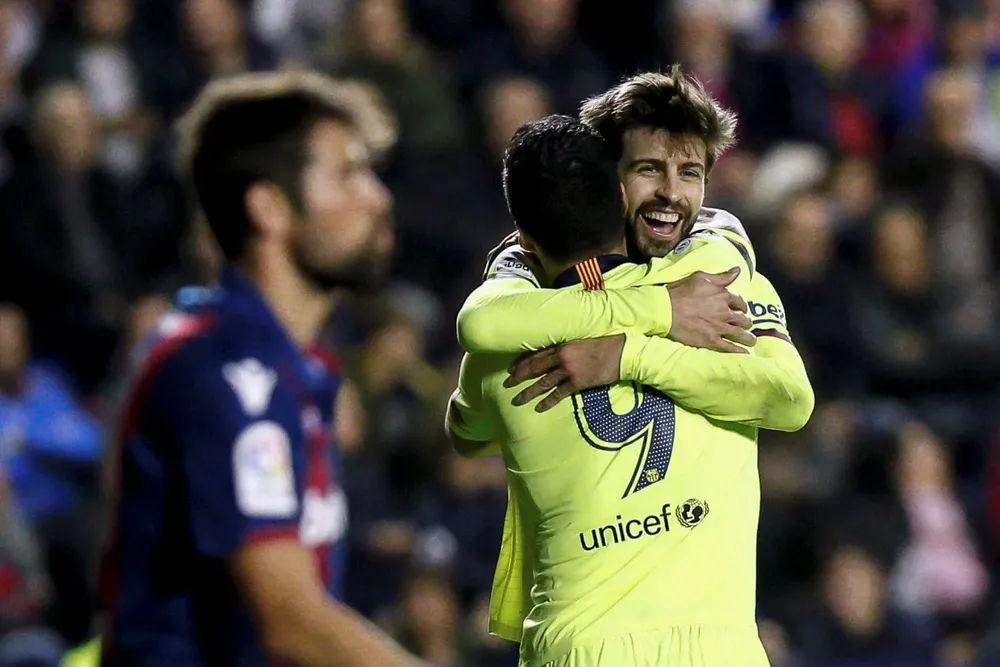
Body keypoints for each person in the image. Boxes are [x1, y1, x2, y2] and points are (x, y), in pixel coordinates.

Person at [447, 114, 813, 667]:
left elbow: (466, 432)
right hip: (721, 649)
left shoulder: (500, 347)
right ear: (621, 198)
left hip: (576, 647)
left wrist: (519, 283)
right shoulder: (713, 296)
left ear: (523, 237)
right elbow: (792, 401)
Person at [98, 71, 428, 667]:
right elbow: (291, 622)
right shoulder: (224, 371)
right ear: (270, 207)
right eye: (347, 173)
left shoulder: (297, 367)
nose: (377, 197)